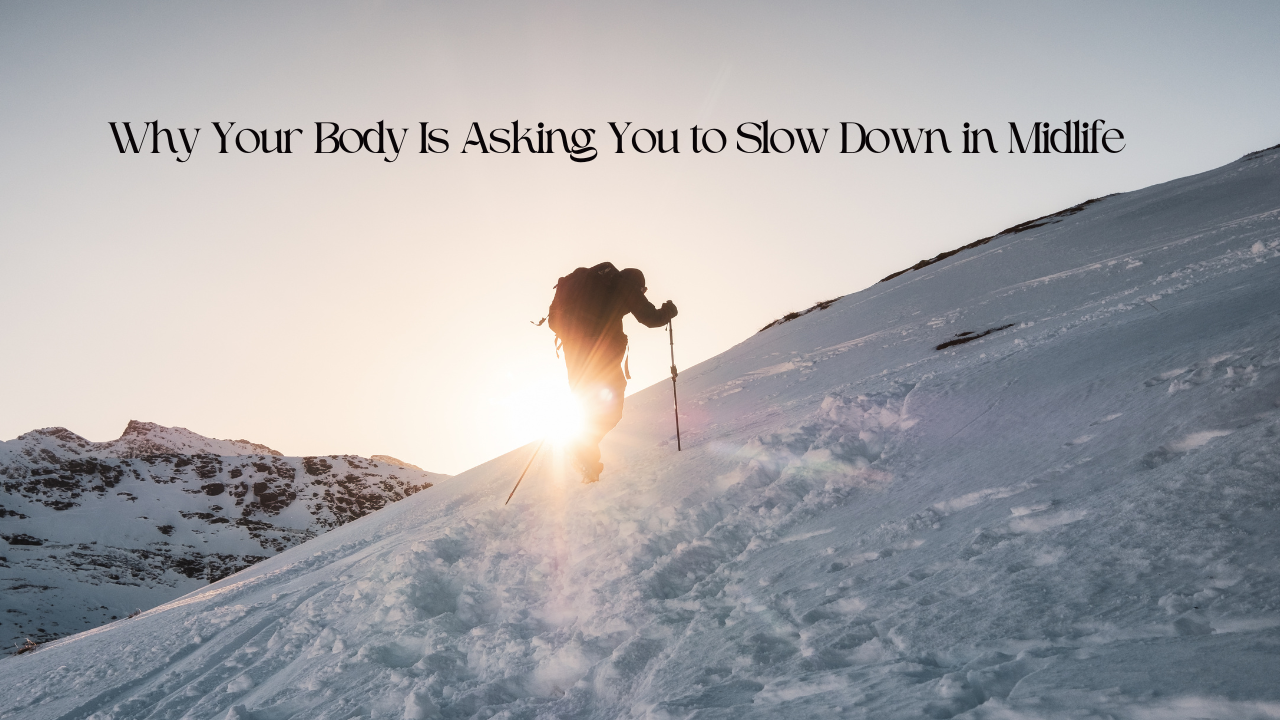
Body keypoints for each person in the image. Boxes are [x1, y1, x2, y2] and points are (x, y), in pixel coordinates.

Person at [547, 262, 677, 483]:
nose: (642, 293)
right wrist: (669, 311)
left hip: (573, 352)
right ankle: (581, 447)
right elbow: (650, 318)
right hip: (599, 352)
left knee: (587, 403)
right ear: (638, 284)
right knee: (611, 406)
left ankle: (588, 464)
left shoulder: (594, 286)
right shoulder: (625, 284)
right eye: (643, 290)